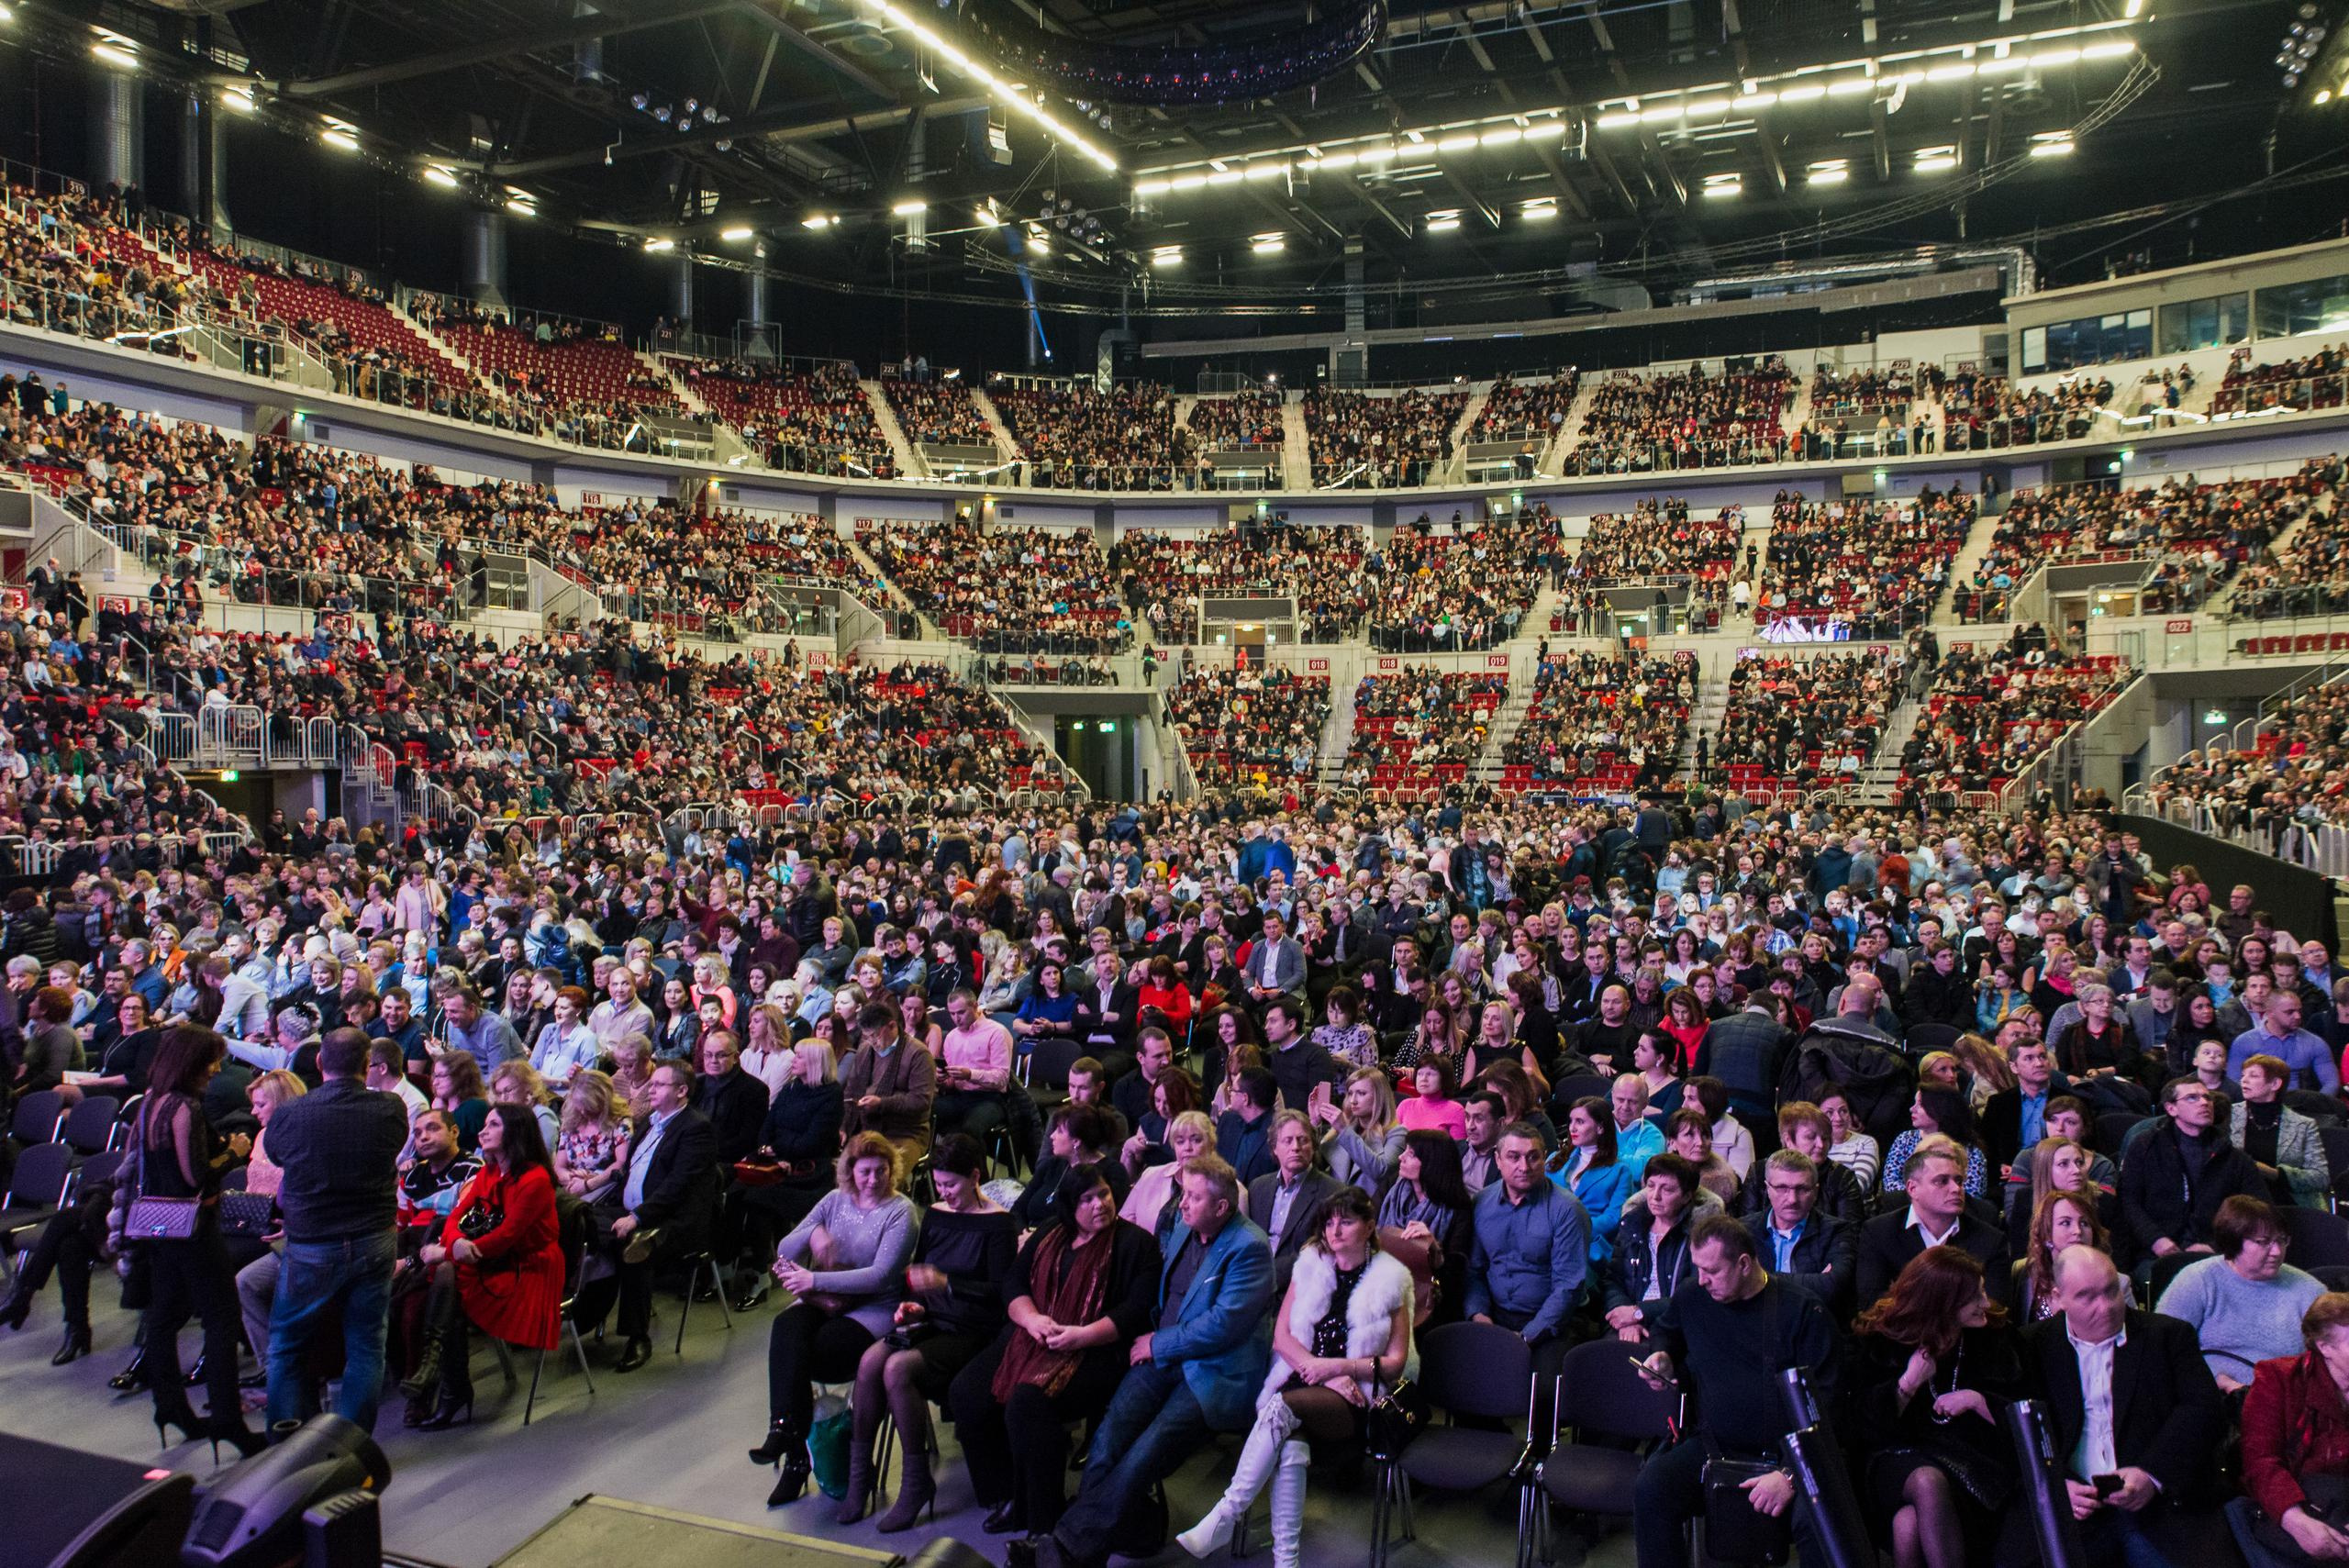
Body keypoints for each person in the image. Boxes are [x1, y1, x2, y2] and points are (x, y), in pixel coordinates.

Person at [1017, 1155, 1275, 1568]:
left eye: (1192, 1197)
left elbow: (1224, 1326)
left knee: (1151, 1443)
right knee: (1110, 1434)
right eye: (1183, 1194)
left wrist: (1158, 1344)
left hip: (1213, 1369)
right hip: (1161, 1355)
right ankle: (1090, 1546)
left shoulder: (1250, 1247)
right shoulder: (1182, 1228)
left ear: (1222, 1208)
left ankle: (1067, 1546)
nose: (1182, 1203)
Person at [1177, 1186, 1414, 1568]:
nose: (1335, 1231)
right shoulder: (1311, 1266)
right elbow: (1282, 1337)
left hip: (1356, 1395)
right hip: (1309, 1379)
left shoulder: (1390, 1280)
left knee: (1282, 1404)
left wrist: (1336, 1369)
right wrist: (1320, 1374)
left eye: (1347, 1222)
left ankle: (1227, 1513)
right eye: (1329, 1222)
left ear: (1369, 1226)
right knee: (1290, 1449)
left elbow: (1395, 1364)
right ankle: (1286, 1561)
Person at [949, 1162, 1159, 1540]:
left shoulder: (1135, 1243)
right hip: (1032, 1335)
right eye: (1087, 1199)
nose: (1099, 1205)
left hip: (1097, 1348)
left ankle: (1043, 1518)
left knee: (1028, 1402)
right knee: (966, 1393)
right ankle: (1008, 1494)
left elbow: (1135, 1310)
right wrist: (1031, 1321)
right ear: (1068, 1206)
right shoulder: (1050, 1233)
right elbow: (1013, 1284)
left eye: (1104, 1194)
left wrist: (1079, 1336)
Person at [1632, 1215, 1842, 1568]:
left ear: (1744, 1263)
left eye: (1711, 1271)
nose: (1702, 1280)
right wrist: (1663, 1355)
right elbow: (1667, 1330)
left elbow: (1829, 1405)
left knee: (1819, 1524)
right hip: (1717, 1445)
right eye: (1698, 1269)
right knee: (1651, 1488)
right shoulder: (1693, 1296)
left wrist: (1790, 1474)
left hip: (1790, 1455)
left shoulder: (1803, 1310)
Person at [840, 1134, 1017, 1530]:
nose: (944, 1192)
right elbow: (917, 1275)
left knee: (897, 1369)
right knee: (870, 1361)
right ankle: (859, 1476)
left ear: (975, 1177)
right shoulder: (936, 1213)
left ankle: (916, 1482)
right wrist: (912, 1302)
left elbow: (1003, 1293)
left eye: (952, 1184)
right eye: (939, 1184)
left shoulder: (999, 1225)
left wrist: (946, 1282)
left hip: (974, 1330)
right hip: (932, 1320)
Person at [2018, 1245, 2227, 1568]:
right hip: (2073, 1502)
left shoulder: (2168, 1336)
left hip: (2157, 1501)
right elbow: (2020, 1431)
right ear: (2058, 1298)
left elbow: (2204, 1410)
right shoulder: (2032, 1346)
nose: (2105, 1307)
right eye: (2087, 1296)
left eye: (2111, 1291)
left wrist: (2152, 1474)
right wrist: (2056, 1486)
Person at [751, 1131, 918, 1507]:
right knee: (786, 1327)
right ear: (850, 1172)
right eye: (865, 1172)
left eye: (880, 1170)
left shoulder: (900, 1212)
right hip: (827, 1300)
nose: (873, 1179)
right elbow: (784, 1249)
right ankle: (788, 1439)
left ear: (891, 1170)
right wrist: (814, 1233)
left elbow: (881, 1276)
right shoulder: (833, 1201)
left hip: (873, 1307)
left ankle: (793, 1453)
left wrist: (814, 1279)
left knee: (818, 1352)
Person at [126, 1025, 263, 1457]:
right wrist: (235, 1152)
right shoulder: (185, 1106)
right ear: (192, 1062)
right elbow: (195, 1178)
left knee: (163, 1319)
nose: (216, 1069)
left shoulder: (149, 1102)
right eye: (211, 1060)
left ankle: (171, 1409)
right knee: (220, 1319)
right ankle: (228, 1420)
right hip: (193, 1227)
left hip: (157, 1224)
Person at [262, 1025, 408, 1435]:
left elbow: (275, 1155)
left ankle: (287, 1440)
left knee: (288, 1347)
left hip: (312, 1243)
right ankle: (350, 1441)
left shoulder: (292, 1113)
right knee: (365, 1346)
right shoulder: (390, 1109)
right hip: (373, 1239)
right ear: (367, 1064)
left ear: (320, 1062)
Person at [1849, 1244, 2020, 1568]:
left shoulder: (1994, 1333)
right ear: (1943, 1303)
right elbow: (1861, 1425)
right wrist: (1909, 1382)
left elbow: (2022, 1405)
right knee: (1926, 1481)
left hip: (1969, 1458)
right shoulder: (1882, 1336)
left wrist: (1977, 1400)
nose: (1986, 1303)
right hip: (1894, 1456)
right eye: (1975, 1298)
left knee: (1908, 1524)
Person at [401, 1102, 564, 1429]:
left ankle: (450, 1386)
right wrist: (453, 1244)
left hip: (526, 1269)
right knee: (445, 1285)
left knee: (444, 1285)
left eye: (492, 1125)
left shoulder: (534, 1179)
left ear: (514, 1131)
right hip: (486, 1258)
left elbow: (508, 1236)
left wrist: (448, 1252)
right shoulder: (490, 1171)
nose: (482, 1131)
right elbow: (458, 1217)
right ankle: (445, 1381)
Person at [579, 1058, 718, 1373]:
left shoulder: (696, 1128)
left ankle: (637, 1337)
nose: (651, 1089)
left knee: (632, 1246)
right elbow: (629, 1169)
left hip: (671, 1220)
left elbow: (677, 1187)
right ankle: (583, 1312)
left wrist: (638, 1217)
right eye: (652, 1084)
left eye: (659, 1085)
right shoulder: (650, 1122)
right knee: (580, 1219)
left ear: (682, 1091)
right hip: (629, 1208)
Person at [1465, 1121, 1588, 1411]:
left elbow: (1567, 1288)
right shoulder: (1482, 1203)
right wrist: (1478, 1314)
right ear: (1497, 1159)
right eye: (1514, 1156)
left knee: (1543, 1393)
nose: (1525, 1165)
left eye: (1533, 1156)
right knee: (1459, 1378)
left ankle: (1542, 1452)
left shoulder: (1567, 1210)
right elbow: (1474, 1271)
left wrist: (1526, 1337)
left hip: (1549, 1324)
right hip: (1495, 1315)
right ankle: (1492, 1445)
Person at [2155, 1195, 2327, 1391]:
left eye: (2281, 1240)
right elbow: (2162, 1347)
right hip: (2211, 1396)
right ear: (2234, 1242)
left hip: (2286, 1400)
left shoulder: (2308, 1289)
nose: (2277, 1251)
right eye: (2264, 1242)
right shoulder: (2198, 1280)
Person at [2234, 1292, 2349, 1567]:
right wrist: (2296, 1521)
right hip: (2296, 1507)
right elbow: (2260, 1462)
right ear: (2325, 1348)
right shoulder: (2279, 1379)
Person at [728, 1040, 845, 1309]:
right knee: (735, 1192)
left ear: (815, 1062)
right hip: (778, 1165)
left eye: (800, 1056)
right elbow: (768, 1126)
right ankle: (726, 1262)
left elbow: (813, 1142)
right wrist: (773, 1151)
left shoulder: (830, 1095)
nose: (794, 1059)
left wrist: (777, 1148)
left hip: (808, 1175)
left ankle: (761, 1275)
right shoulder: (792, 1087)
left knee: (758, 1201)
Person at [2121, 1074, 2269, 1280]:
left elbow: (2258, 1210)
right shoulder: (2146, 1147)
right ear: (2171, 1108)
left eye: (2207, 1098)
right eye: (2192, 1098)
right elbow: (2129, 1201)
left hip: (2218, 1255)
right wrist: (2156, 1239)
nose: (2204, 1103)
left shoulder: (2234, 1158)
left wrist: (2214, 1246)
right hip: (2155, 1252)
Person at [1856, 1135, 2010, 1311]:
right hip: (1901, 1337)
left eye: (1959, 1181)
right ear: (1913, 1188)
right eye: (1942, 1181)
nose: (1956, 1189)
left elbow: (1996, 1310)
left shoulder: (1991, 1240)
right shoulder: (1879, 1233)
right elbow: (1871, 1306)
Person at [1742, 1148, 1858, 1315]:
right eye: (1782, 1188)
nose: (1792, 1199)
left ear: (1816, 1192)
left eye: (1802, 1189)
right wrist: (1814, 1280)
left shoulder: (1837, 1231)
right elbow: (1731, 1285)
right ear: (1767, 1189)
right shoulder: (1742, 1231)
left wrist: (1757, 1278)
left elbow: (1832, 1287)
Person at [1605, 1151, 1703, 1343]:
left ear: (1686, 1197)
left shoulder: (1698, 1234)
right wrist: (1627, 1318)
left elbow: (1695, 1293)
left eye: (1667, 1190)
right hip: (1627, 1320)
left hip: (1675, 1325)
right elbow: (1612, 1279)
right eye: (1651, 1186)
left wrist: (1640, 1312)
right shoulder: (1632, 1224)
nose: (1655, 1196)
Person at [1248, 1110, 1342, 1293]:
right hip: (1253, 1283)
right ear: (1274, 1148)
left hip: (1299, 1289)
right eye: (1287, 1140)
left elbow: (1321, 1253)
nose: (1296, 1147)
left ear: (1313, 1147)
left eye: (1303, 1140)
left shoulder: (1333, 1193)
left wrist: (1266, 1276)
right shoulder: (1258, 1188)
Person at [839, 999, 938, 1173]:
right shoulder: (864, 1050)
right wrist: (845, 1126)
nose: (871, 1041)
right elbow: (851, 1091)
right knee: (842, 1172)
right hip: (866, 1126)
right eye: (866, 1036)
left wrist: (882, 1103)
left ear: (892, 1026)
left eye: (875, 1035)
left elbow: (921, 1101)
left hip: (905, 1133)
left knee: (883, 1176)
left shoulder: (918, 1054)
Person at [2234, 1052, 2332, 1208]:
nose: (2243, 1080)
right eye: (2243, 1075)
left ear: (2275, 1084)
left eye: (2253, 1076)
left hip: (2288, 1204)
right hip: (2239, 1203)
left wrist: (2274, 1173)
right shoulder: (2230, 1115)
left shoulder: (2304, 1125)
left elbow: (2320, 1178)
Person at [1550, 1094, 1637, 1262]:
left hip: (1587, 1245)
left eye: (1580, 1122)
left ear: (1600, 1128)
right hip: (1548, 1238)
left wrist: (1572, 1229)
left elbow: (1613, 1218)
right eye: (1571, 1121)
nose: (1572, 1128)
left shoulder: (1620, 1171)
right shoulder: (1553, 1161)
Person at [934, 988, 1014, 1148]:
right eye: (952, 1014)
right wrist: (943, 1080)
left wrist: (970, 1074)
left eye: (961, 1012)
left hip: (991, 1098)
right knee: (923, 1112)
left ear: (975, 1006)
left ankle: (975, 1171)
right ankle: (942, 1166)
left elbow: (1002, 1078)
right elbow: (952, 1082)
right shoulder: (951, 1037)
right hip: (960, 1095)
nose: (956, 1019)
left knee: (970, 1130)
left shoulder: (996, 1032)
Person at [2020, 1188, 2111, 1321]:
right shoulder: (2027, 1278)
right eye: (2065, 1223)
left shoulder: (2117, 1282)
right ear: (2046, 1233)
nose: (2078, 1231)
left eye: (2084, 1223)